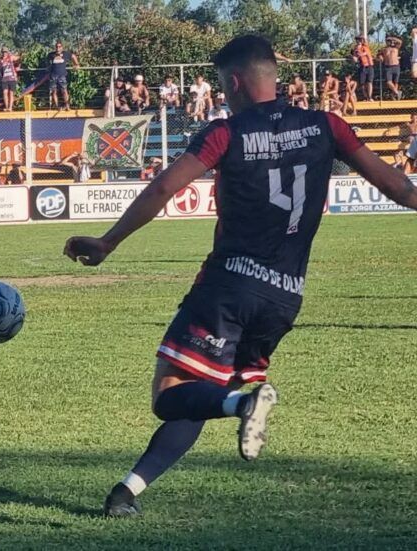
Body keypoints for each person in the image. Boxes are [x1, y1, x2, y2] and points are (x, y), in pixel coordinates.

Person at [62, 34, 417, 518]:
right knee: (204, 392)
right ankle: (126, 493)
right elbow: (395, 183)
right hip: (284, 298)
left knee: (171, 396)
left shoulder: (226, 132)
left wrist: (108, 241)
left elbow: (165, 187)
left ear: (233, 83)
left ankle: (243, 406)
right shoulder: (326, 125)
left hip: (229, 286)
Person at [46, 41, 79, 110]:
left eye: (59, 47)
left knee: (64, 91)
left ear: (62, 47)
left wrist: (76, 64)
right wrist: (48, 67)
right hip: (53, 76)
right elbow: (48, 62)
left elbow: (73, 56)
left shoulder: (65, 54)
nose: (58, 48)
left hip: (62, 76)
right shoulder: (51, 55)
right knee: (54, 91)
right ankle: (57, 106)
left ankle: (67, 106)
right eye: (56, 47)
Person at [352, 36, 374, 101]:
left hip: (369, 66)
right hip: (362, 67)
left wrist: (360, 54)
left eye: (360, 40)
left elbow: (366, 53)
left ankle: (370, 97)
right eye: (357, 40)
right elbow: (355, 57)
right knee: (362, 83)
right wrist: (354, 58)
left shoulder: (365, 46)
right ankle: (365, 97)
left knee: (369, 82)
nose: (359, 41)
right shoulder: (355, 48)